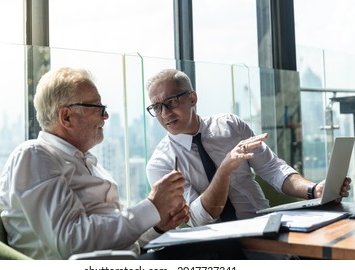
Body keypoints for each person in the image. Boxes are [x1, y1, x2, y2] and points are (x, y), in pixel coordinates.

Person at [0, 67, 189, 260]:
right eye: (98, 108)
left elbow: (120, 243)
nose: (105, 116)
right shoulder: (34, 155)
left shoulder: (87, 163)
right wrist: (151, 207)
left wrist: (158, 227)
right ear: (66, 117)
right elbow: (73, 242)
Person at [145, 68, 352, 228]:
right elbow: (199, 218)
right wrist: (225, 169)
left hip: (265, 227)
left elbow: (272, 168)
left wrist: (313, 190)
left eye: (171, 102)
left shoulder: (230, 125)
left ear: (192, 98)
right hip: (216, 248)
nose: (164, 114)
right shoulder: (161, 164)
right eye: (156, 107)